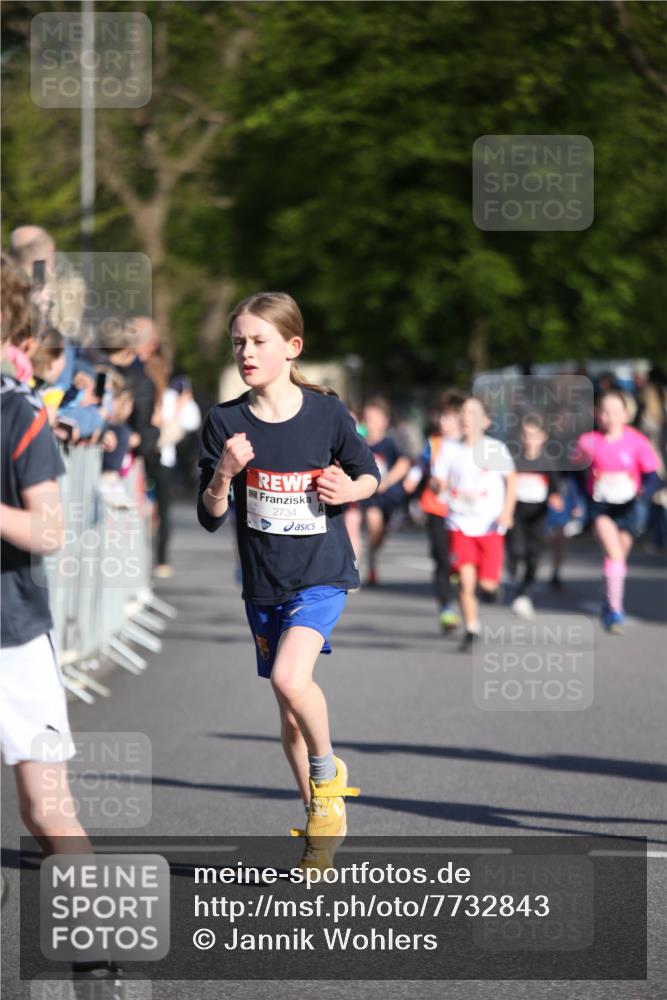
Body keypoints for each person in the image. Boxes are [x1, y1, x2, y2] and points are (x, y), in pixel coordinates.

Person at [197, 291, 380, 872]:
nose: (246, 353)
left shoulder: (326, 413)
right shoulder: (225, 422)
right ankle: (321, 822)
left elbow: (368, 473)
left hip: (321, 575)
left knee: (289, 674)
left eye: (258, 342)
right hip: (264, 583)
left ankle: (329, 777)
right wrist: (224, 473)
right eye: (238, 344)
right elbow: (209, 515)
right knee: (288, 711)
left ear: (292, 348)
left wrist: (351, 491)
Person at [433, 396, 516, 651]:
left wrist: (507, 512)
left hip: (490, 525)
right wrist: (439, 486)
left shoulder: (495, 449)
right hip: (459, 524)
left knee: (487, 585)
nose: (467, 418)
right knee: (466, 581)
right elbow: (439, 479)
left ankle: (491, 590)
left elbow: (511, 480)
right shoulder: (449, 448)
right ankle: (471, 628)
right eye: (464, 413)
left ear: (487, 421)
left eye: (474, 413)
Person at [574, 389, 661, 633]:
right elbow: (572, 474)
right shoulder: (587, 442)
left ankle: (607, 598)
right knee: (613, 553)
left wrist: (645, 489)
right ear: (596, 414)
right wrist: (579, 500)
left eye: (615, 411)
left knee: (618, 556)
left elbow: (652, 475)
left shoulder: (637, 441)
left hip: (630, 507)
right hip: (600, 507)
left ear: (626, 414)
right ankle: (614, 611)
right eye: (604, 411)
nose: (609, 416)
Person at [403, 390, 464, 632]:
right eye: (442, 416)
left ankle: (457, 575)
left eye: (449, 417)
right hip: (436, 507)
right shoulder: (435, 442)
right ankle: (446, 607)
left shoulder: (473, 445)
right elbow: (421, 463)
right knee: (440, 557)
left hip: (466, 513)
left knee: (459, 560)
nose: (442, 421)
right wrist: (412, 478)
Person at [506, 414, 563, 619]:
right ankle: (512, 574)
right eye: (526, 435)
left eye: (534, 436)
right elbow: (505, 483)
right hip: (516, 511)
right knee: (516, 549)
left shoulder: (548, 461)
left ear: (543, 437)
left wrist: (556, 498)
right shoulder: (514, 458)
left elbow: (555, 487)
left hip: (538, 513)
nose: (529, 440)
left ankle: (524, 590)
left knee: (534, 553)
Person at [360, 397, 411, 586]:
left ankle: (373, 553)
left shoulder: (390, 443)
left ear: (384, 421)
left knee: (381, 535)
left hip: (389, 496)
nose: (370, 422)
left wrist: (387, 481)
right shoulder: (359, 443)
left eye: (374, 418)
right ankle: (371, 566)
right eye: (367, 418)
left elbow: (404, 463)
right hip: (370, 495)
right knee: (374, 525)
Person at [154, 374, 201, 577]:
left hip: (166, 461)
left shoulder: (184, 404)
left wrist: (180, 407)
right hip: (152, 459)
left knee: (163, 513)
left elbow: (191, 423)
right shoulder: (163, 397)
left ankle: (161, 559)